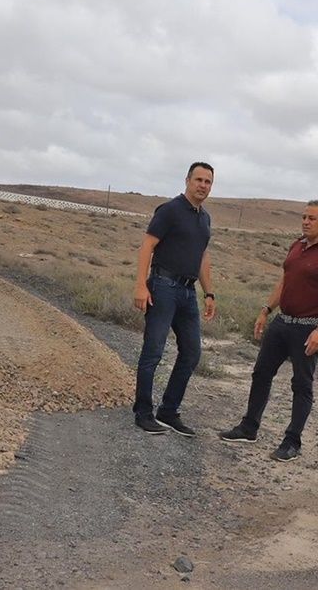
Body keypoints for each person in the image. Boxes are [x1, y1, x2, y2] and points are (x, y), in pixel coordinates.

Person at [219, 200, 318, 461]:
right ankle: (249, 427)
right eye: (303, 217)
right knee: (261, 373)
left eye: (312, 218)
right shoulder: (296, 246)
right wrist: (266, 310)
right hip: (282, 322)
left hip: (308, 327)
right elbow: (285, 281)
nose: (305, 222)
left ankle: (292, 442)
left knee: (301, 384)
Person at [131, 162, 217, 436]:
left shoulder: (205, 218)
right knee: (153, 351)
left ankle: (168, 411)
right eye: (199, 180)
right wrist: (140, 286)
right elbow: (147, 245)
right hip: (163, 286)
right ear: (187, 180)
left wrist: (209, 292)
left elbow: (203, 256)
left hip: (188, 291)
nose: (203, 185)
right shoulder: (169, 210)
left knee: (191, 353)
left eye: (208, 182)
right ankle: (142, 412)